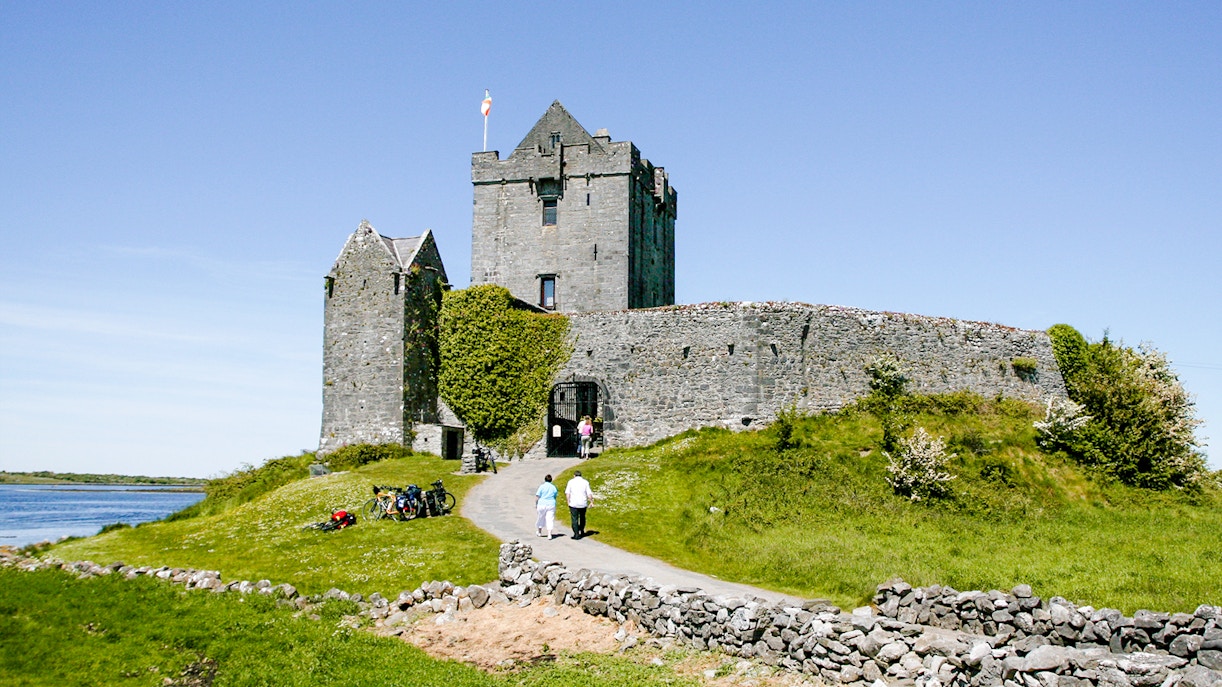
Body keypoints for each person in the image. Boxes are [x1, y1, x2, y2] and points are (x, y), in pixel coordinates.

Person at [565, 470, 594, 539]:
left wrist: (568, 501)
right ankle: (582, 530)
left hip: (574, 503)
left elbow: (567, 493)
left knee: (574, 519)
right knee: (582, 517)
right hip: (583, 503)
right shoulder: (585, 482)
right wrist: (591, 502)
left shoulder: (571, 482)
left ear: (574, 475)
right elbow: (589, 493)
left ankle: (576, 534)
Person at [534, 474, 557, 538]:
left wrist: (536, 504)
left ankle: (539, 531)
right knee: (550, 519)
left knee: (540, 517)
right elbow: (555, 496)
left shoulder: (542, 486)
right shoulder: (553, 487)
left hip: (542, 504)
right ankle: (549, 534)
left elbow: (537, 496)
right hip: (551, 504)